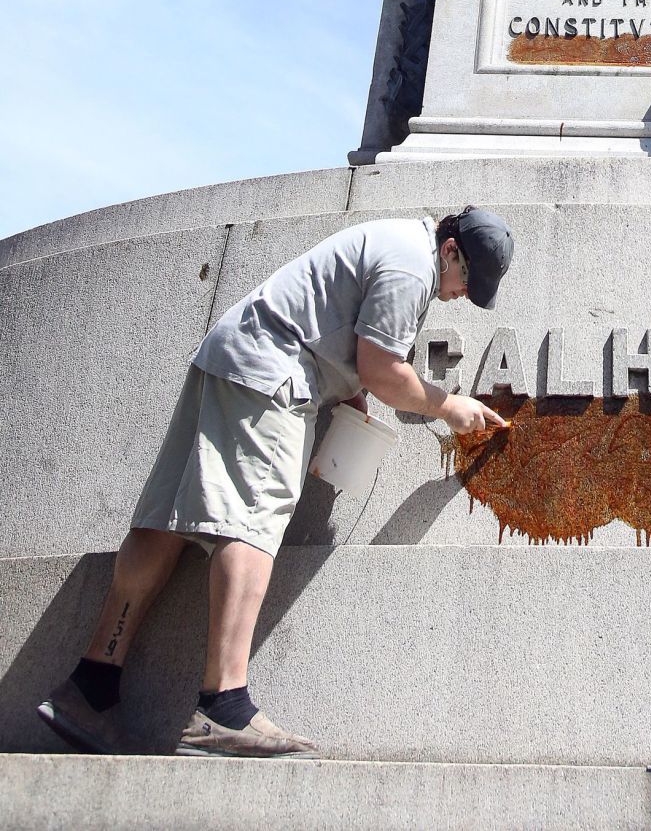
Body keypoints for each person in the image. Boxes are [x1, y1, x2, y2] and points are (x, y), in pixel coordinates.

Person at [36, 207, 513, 759]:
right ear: (450, 251)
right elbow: (385, 370)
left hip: (232, 359)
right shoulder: (413, 267)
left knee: (165, 522)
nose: (458, 295)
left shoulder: (394, 240)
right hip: (271, 379)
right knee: (253, 524)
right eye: (464, 283)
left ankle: (90, 689)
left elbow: (340, 336)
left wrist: (347, 390)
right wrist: (448, 404)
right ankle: (223, 707)